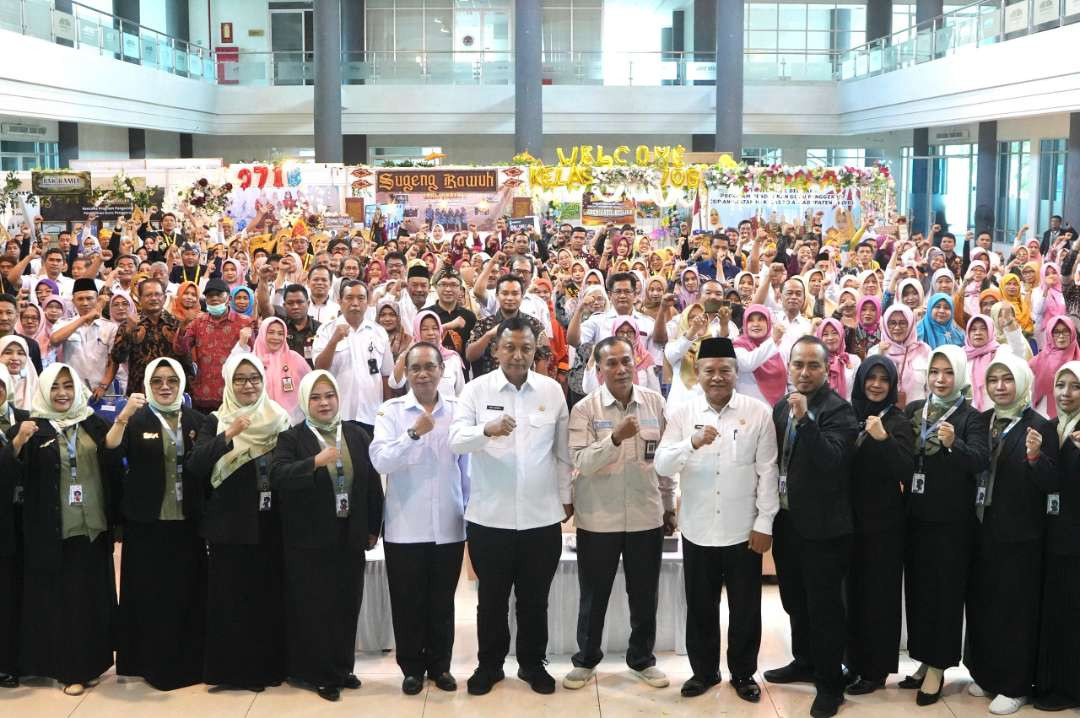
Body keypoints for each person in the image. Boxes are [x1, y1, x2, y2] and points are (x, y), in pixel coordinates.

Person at [448, 316, 571, 696]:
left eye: (526, 349)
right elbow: (455, 441)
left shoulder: (551, 392)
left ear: (536, 351)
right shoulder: (475, 391)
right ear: (496, 350)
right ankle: (490, 666)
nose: (518, 356)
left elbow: (563, 454)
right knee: (492, 599)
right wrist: (485, 430)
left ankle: (533, 665)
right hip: (490, 517)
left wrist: (566, 499)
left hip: (541, 517)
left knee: (535, 600)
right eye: (510, 348)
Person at [654, 336, 778, 702]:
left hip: (744, 530)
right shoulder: (682, 414)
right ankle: (703, 672)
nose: (718, 377)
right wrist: (690, 444)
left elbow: (768, 472)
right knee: (700, 605)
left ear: (736, 372)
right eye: (710, 370)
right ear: (699, 373)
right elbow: (662, 464)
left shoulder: (758, 412)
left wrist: (764, 523)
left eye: (725, 370)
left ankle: (743, 674)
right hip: (697, 527)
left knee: (745, 608)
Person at [564, 336, 675, 692]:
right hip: (599, 517)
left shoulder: (655, 403)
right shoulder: (585, 409)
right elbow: (580, 462)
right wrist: (613, 439)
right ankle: (586, 660)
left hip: (646, 515)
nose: (621, 369)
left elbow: (662, 463)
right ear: (598, 371)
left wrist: (669, 506)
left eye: (626, 361)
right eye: (611, 363)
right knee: (594, 594)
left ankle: (642, 659)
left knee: (644, 594)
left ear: (636, 364)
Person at [1, 364, 118, 695]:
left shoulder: (92, 422)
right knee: (64, 602)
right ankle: (70, 670)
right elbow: (10, 477)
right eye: (55, 387)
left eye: (68, 386)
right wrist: (18, 444)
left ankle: (93, 663)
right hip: (53, 530)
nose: (63, 393)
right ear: (45, 391)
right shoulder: (31, 427)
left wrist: (121, 422)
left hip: (92, 525)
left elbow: (111, 458)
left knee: (91, 598)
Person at [269, 370, 384, 702]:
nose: (324, 403)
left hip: (350, 534)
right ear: (306, 401)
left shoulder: (356, 434)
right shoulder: (292, 438)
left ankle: (342, 666)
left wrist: (373, 528)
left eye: (329, 396)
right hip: (308, 538)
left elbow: (371, 484)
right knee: (315, 605)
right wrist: (314, 462)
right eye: (316, 397)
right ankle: (319, 672)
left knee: (347, 602)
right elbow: (278, 476)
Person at [763, 336, 859, 718]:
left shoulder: (839, 411)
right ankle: (803, 660)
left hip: (824, 527)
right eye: (798, 365)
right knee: (794, 601)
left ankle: (830, 682)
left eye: (813, 366)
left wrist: (807, 421)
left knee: (824, 609)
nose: (804, 372)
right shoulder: (781, 409)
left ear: (827, 368)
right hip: (788, 522)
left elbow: (831, 461)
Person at [186, 354, 292, 692]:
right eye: (241, 379)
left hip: (269, 524)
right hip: (229, 526)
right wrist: (229, 434)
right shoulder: (214, 420)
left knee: (266, 598)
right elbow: (196, 466)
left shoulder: (279, 419)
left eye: (254, 378)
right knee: (231, 600)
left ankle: (267, 668)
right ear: (229, 383)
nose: (248, 385)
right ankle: (232, 672)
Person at [370, 342, 469, 695]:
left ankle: (440, 667)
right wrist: (413, 434)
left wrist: (469, 512)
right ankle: (411, 668)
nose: (423, 374)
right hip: (405, 525)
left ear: (442, 370)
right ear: (406, 373)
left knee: (442, 601)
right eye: (415, 368)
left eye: (429, 366)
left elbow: (466, 468)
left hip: (448, 522)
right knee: (408, 601)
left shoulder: (459, 411)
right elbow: (380, 461)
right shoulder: (391, 411)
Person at [965, 351, 1058, 715]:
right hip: (982, 530)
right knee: (984, 604)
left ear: (1021, 383)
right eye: (993, 380)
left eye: (1007, 380)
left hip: (1021, 536)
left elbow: (1052, 484)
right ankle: (987, 674)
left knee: (1015, 611)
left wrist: (1036, 458)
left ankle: (1016, 683)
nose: (1000, 387)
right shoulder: (983, 420)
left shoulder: (1040, 425)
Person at [106, 357, 207, 690]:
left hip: (187, 521)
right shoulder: (137, 419)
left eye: (172, 381)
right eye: (158, 381)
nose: (165, 387)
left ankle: (190, 661)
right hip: (147, 522)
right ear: (148, 386)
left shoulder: (197, 419)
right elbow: (110, 451)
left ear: (181, 384)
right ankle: (149, 663)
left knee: (186, 592)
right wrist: (122, 416)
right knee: (151, 593)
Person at [843, 355, 914, 695]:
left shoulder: (898, 421)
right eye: (870, 378)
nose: (876, 384)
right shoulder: (846, 414)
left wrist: (883, 438)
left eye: (883, 379)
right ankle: (853, 663)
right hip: (847, 521)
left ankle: (876, 669)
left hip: (884, 524)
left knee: (879, 597)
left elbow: (905, 471)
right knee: (852, 594)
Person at [1034, 361, 1080, 711]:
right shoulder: (1050, 428)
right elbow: (1050, 484)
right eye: (1060, 385)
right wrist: (1035, 459)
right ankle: (1054, 682)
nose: (1066, 393)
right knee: (1056, 611)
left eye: (1074, 386)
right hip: (1053, 534)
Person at [312, 280, 393, 435]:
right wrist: (334, 341)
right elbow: (319, 368)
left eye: (361, 298)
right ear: (340, 301)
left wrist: (385, 411)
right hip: (338, 414)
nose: (355, 303)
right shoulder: (326, 330)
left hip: (372, 414)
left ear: (367, 302)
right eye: (349, 298)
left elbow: (385, 375)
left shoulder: (379, 332)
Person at [175, 278, 254, 413]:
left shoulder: (245, 323)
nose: (215, 298)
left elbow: (253, 356)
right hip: (203, 396)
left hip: (233, 395)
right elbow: (180, 349)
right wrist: (183, 326)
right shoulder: (197, 323)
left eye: (219, 294)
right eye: (210, 295)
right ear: (205, 299)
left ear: (228, 298)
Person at [105, 278, 186, 397]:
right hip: (139, 391)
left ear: (164, 298)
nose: (153, 298)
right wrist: (128, 332)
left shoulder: (177, 324)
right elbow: (118, 358)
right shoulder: (129, 324)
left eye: (157, 294)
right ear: (140, 299)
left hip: (171, 390)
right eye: (148, 295)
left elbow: (186, 359)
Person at [0, 365, 29, 688]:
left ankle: (17, 659)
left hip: (21, 516)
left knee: (17, 588)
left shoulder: (24, 417)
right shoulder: (20, 430)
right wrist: (16, 446)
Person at [48, 279, 116, 396]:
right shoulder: (63, 323)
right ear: (73, 301)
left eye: (89, 298)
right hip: (74, 390)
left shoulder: (110, 327)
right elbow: (54, 340)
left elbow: (113, 361)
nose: (85, 303)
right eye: (80, 299)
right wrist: (84, 318)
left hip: (102, 390)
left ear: (97, 299)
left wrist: (103, 386)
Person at [246, 316, 311, 423]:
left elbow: (310, 384)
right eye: (271, 332)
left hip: (292, 422)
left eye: (280, 334)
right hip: (259, 422)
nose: (276, 337)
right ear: (262, 334)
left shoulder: (294, 358)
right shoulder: (251, 361)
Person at [389, 310, 465, 398]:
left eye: (435, 328)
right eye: (424, 329)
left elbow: (460, 393)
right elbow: (394, 383)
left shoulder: (452, 358)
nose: (431, 333)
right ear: (417, 332)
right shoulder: (408, 357)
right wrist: (407, 352)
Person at [871, 304, 931, 408]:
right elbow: (870, 385)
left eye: (903, 323)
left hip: (917, 416)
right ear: (885, 325)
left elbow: (931, 389)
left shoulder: (924, 351)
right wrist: (879, 356)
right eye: (892, 323)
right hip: (884, 414)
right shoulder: (875, 352)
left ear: (911, 324)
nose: (897, 328)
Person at [1029, 316, 1080, 418]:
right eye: (1056, 332)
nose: (1061, 336)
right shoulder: (1038, 360)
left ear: (1072, 333)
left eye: (1066, 331)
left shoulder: (1078, 357)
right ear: (1049, 334)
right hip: (1043, 415)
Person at [817, 318, 860, 401]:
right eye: (825, 334)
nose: (830, 338)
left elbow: (857, 392)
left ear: (841, 334)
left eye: (835, 333)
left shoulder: (853, 360)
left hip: (847, 410)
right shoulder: (816, 362)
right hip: (821, 412)